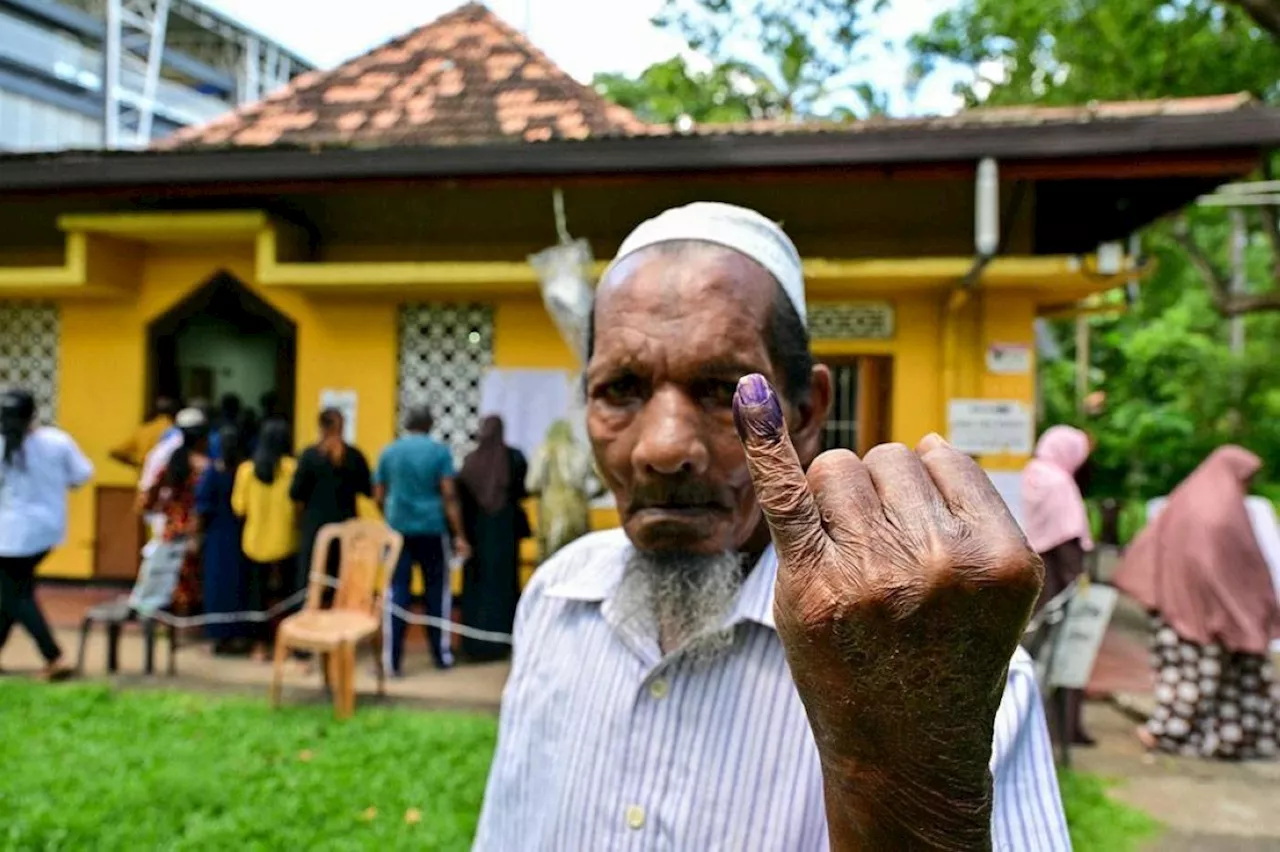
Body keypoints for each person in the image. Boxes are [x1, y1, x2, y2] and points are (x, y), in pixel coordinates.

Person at [474, 202, 1066, 850]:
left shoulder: (936, 666)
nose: (663, 448)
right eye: (620, 389)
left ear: (806, 410)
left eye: (720, 389)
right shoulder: (556, 600)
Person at [1115, 446, 1280, 759]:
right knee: (1196, 678)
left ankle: (1204, 737)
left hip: (1178, 606)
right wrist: (1241, 610)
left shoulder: (1190, 500)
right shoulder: (1219, 513)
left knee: (1194, 676)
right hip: (1201, 613)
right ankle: (1173, 734)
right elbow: (1223, 568)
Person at [0, 389, 92, 680]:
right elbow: (82, 475)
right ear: (33, 413)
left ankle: (54, 656)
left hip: (7, 535)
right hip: (45, 531)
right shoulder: (57, 442)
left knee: (16, 595)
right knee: (12, 592)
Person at [374, 406, 469, 673]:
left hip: (398, 531)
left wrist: (390, 517)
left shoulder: (389, 451)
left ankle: (392, 662)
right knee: (437, 593)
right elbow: (449, 495)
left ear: (406, 424)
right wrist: (459, 534)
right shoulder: (439, 452)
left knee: (397, 593)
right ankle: (441, 656)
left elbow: (379, 494)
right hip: (432, 529)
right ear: (430, 424)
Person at [1022, 424, 1096, 747]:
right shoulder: (1059, 483)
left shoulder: (1034, 473)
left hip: (1039, 581)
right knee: (1068, 656)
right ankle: (1065, 731)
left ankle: (1034, 726)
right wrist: (1081, 585)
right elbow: (1068, 539)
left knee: (1033, 656)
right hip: (1062, 585)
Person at [457, 415, 530, 662]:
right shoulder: (514, 459)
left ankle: (473, 644)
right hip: (505, 535)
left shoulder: (470, 462)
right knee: (503, 588)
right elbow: (522, 491)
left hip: (476, 536)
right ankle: (502, 644)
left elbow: (460, 500)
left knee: (476, 590)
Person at [130, 409, 210, 617]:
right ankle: (185, 620)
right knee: (190, 576)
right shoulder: (205, 466)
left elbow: (150, 494)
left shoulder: (172, 460)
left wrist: (154, 510)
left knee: (167, 573)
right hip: (194, 526)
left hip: (171, 525)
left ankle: (166, 618)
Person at [289, 409, 371, 607]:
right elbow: (366, 489)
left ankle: (306, 616)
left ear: (321, 427)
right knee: (342, 574)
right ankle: (341, 616)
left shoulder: (309, 456)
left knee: (310, 575)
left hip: (315, 524)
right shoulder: (354, 455)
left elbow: (295, 493)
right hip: (346, 523)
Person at [232, 419, 299, 660]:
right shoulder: (292, 468)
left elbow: (239, 508)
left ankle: (258, 647)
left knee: (256, 597)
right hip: (287, 541)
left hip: (254, 543)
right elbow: (298, 504)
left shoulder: (246, 471)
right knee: (290, 594)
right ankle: (289, 644)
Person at [195, 424, 248, 655]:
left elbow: (201, 508)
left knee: (217, 587)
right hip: (240, 535)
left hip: (216, 536)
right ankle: (239, 635)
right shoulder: (245, 471)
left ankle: (218, 636)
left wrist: (196, 536)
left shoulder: (212, 473)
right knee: (239, 586)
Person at [524, 419, 592, 562]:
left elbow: (532, 484)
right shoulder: (579, 452)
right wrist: (591, 495)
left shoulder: (544, 451)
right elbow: (601, 481)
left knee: (550, 560)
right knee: (577, 557)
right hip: (577, 510)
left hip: (550, 510)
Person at [109, 395, 177, 469]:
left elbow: (115, 452)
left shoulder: (143, 430)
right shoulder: (175, 430)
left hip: (144, 475)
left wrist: (135, 464)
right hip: (167, 476)